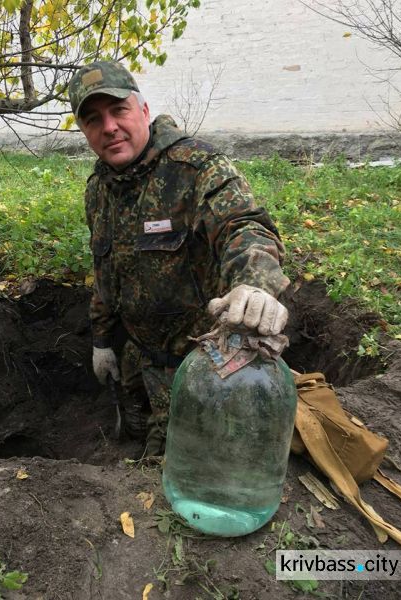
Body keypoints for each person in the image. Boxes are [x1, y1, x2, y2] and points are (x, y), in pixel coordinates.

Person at [68, 61, 291, 455]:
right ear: (84, 131)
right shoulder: (98, 188)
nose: (109, 127)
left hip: (199, 368)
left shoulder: (196, 168)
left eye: (118, 110)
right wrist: (102, 340)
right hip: (138, 359)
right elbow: (106, 269)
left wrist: (254, 286)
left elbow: (245, 227)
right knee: (133, 435)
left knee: (170, 463)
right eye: (92, 119)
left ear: (143, 110)